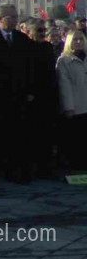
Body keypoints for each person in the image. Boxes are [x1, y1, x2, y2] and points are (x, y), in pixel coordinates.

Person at [0, 4, 35, 184]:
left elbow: (29, 68)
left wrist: (29, 91)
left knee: (17, 136)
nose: (15, 20)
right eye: (10, 17)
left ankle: (15, 172)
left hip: (17, 95)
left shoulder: (22, 39)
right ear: (0, 19)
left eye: (16, 16)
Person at [27, 19, 58, 179]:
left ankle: (46, 168)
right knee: (33, 135)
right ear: (30, 32)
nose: (42, 34)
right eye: (39, 31)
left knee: (47, 134)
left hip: (48, 97)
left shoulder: (47, 47)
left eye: (43, 31)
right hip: (32, 98)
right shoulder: (26, 49)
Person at [56, 29, 87, 171]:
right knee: (77, 140)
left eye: (81, 39)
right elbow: (64, 85)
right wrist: (68, 107)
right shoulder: (64, 61)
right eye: (75, 39)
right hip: (76, 107)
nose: (79, 42)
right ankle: (77, 167)